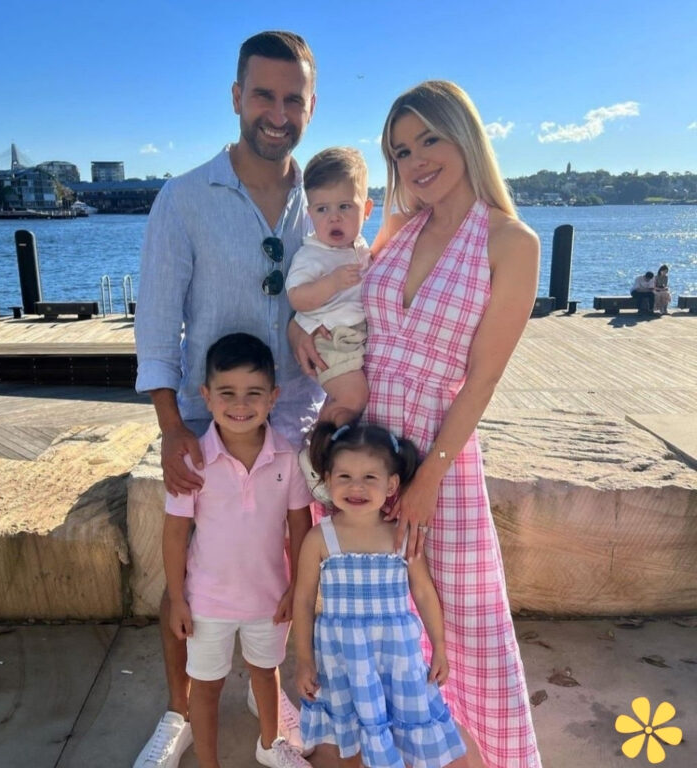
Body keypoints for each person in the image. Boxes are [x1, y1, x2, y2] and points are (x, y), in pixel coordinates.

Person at [289, 81, 543, 766]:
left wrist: (429, 475)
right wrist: (295, 324)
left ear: (464, 133)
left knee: (460, 622)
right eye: (402, 150)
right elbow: (344, 297)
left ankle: (485, 752)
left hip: (437, 450)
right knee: (364, 619)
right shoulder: (398, 226)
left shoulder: (511, 242)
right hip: (364, 442)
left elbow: (484, 377)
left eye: (429, 138)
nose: (417, 159)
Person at [134, 30, 324, 768]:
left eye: (293, 99)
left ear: (311, 105)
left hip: (298, 421)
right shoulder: (183, 199)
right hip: (201, 418)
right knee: (188, 574)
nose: (278, 113)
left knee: (282, 570)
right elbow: (155, 324)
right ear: (237, 97)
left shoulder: (326, 201)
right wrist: (170, 429)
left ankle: (277, 716)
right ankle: (180, 712)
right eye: (264, 95)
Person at [164, 333, 313, 768]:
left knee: (266, 675)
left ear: (274, 397)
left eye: (254, 393)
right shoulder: (193, 461)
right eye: (227, 393)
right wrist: (177, 597)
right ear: (206, 397)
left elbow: (300, 527)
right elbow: (174, 533)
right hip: (207, 602)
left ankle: (271, 744)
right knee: (206, 686)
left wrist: (296, 589)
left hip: (269, 600)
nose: (240, 404)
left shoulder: (288, 458)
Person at [294, 422, 467, 768]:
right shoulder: (319, 538)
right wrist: (304, 660)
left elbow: (423, 591)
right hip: (343, 659)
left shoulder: (401, 535)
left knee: (401, 731)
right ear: (328, 479)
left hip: (397, 657)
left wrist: (440, 647)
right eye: (344, 477)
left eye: (369, 478)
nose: (356, 487)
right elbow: (302, 600)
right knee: (352, 738)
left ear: (391, 485)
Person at [286, 147, 373, 428]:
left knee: (349, 401)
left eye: (344, 207)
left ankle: (330, 447)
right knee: (353, 397)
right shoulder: (313, 254)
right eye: (322, 209)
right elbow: (297, 296)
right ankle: (318, 455)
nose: (333, 217)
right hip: (329, 337)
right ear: (310, 213)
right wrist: (331, 283)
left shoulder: (359, 248)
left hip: (352, 337)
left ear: (367, 210)